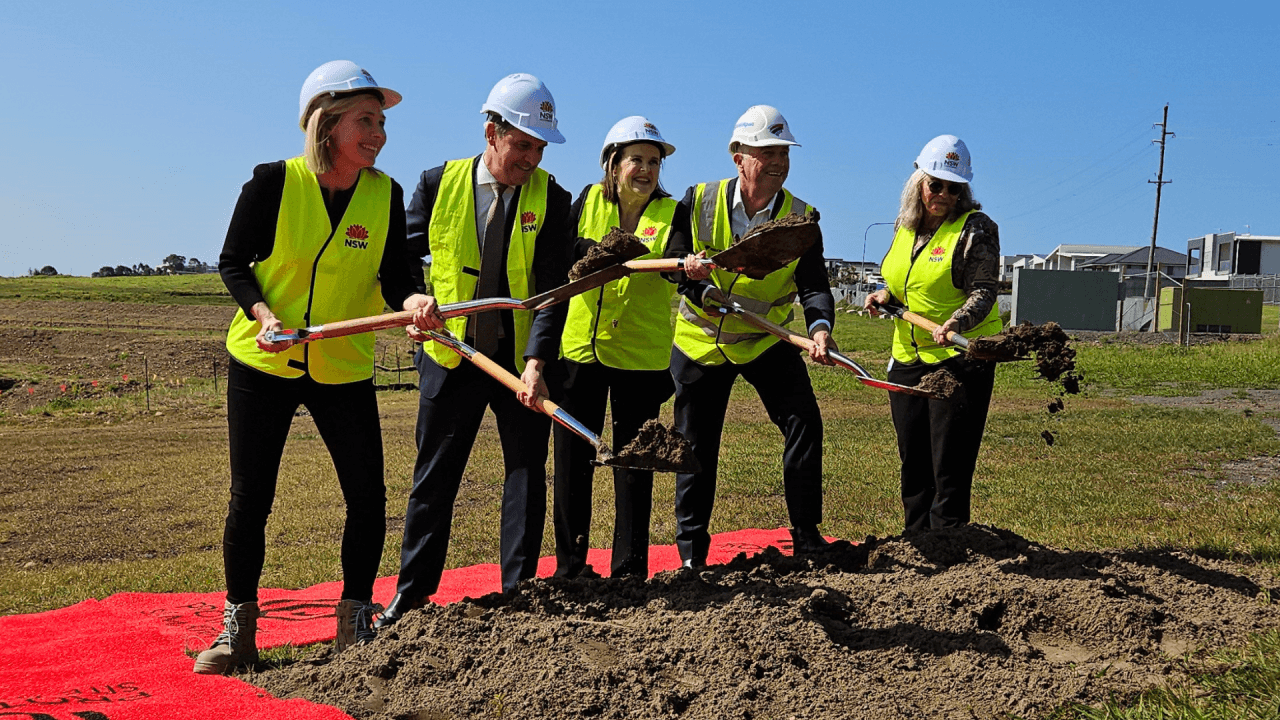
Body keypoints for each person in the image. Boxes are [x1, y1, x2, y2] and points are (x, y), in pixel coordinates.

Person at [197, 60, 443, 675]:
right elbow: (233, 262)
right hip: (264, 362)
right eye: (366, 120)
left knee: (366, 497)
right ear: (325, 123)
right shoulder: (272, 183)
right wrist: (260, 313)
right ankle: (238, 628)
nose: (379, 133)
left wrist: (413, 301)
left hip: (342, 366)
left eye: (382, 122)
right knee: (251, 498)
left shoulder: (384, 195)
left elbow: (396, 277)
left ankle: (354, 624)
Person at [376, 74, 573, 628]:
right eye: (523, 144)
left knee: (526, 474)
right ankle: (411, 596)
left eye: (540, 147)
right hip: (450, 355)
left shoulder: (554, 199)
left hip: (519, 363)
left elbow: (553, 289)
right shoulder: (438, 182)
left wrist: (536, 364)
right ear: (492, 132)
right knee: (433, 479)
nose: (532, 157)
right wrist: (413, 300)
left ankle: (520, 595)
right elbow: (403, 261)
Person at [667, 105, 837, 568]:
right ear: (738, 156)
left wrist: (820, 328)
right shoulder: (697, 200)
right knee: (695, 446)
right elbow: (674, 262)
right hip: (701, 342)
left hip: (764, 342)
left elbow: (815, 285)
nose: (778, 161)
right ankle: (691, 556)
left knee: (804, 421)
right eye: (767, 152)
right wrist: (699, 288)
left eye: (783, 151)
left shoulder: (802, 218)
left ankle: (805, 536)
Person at [553, 117, 709, 579]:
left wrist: (687, 269)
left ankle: (629, 570)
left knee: (635, 464)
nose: (646, 169)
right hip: (580, 351)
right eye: (636, 160)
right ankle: (571, 567)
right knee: (571, 463)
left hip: (639, 358)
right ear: (613, 164)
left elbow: (676, 264)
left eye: (654, 162)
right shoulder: (584, 202)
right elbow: (564, 250)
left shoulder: (673, 213)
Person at [863, 135, 1002, 530]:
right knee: (914, 459)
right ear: (918, 182)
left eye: (953, 187)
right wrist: (884, 294)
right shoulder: (904, 226)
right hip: (907, 359)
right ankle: (917, 539)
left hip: (958, 359)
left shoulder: (976, 229)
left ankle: (948, 543)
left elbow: (984, 290)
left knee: (950, 462)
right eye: (935, 185)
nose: (943, 194)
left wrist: (959, 320)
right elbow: (903, 280)